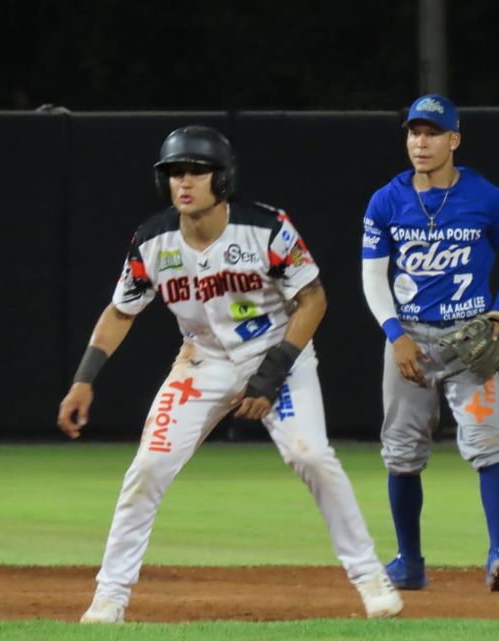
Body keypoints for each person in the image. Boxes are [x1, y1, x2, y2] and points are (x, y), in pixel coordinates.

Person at [57, 125, 403, 622]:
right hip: (201, 361)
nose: (184, 181)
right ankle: (110, 596)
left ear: (222, 178)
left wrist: (270, 376)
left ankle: (371, 579)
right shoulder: (153, 240)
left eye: (196, 170)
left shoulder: (265, 228)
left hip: (277, 355)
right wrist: (83, 379)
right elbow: (120, 311)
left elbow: (313, 299)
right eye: (175, 172)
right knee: (148, 467)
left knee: (312, 456)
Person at [360, 95, 499, 592]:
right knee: (401, 453)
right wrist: (395, 336)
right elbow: (373, 278)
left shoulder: (488, 197)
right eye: (414, 132)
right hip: (408, 335)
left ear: (453, 139)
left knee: (484, 441)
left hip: (468, 340)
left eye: (432, 133)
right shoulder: (386, 200)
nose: (420, 142)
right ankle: (410, 563)